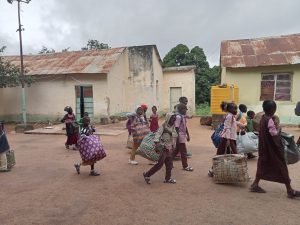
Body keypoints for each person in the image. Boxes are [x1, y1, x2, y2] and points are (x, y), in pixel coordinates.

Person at [250, 100, 300, 198]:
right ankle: (289, 190)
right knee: (281, 166)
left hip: (264, 148)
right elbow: (274, 134)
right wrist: (279, 128)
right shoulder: (270, 120)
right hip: (273, 149)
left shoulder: (263, 118)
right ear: (273, 109)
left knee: (262, 164)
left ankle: (255, 184)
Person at [143, 113, 178, 184]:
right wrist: (156, 144)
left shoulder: (173, 126)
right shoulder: (163, 125)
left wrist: (168, 132)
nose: (174, 119)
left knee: (169, 164)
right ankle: (147, 174)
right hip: (163, 147)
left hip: (170, 148)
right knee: (160, 164)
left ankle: (167, 179)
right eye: (172, 118)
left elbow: (175, 135)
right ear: (168, 118)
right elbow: (158, 134)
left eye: (175, 118)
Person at [172, 103, 193, 171]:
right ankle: (185, 166)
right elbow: (176, 128)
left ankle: (167, 162)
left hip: (182, 136)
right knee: (183, 152)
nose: (185, 110)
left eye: (186, 109)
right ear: (180, 110)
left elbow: (184, 126)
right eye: (184, 109)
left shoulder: (183, 116)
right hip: (179, 136)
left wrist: (188, 135)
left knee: (176, 151)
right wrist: (177, 138)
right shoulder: (178, 117)